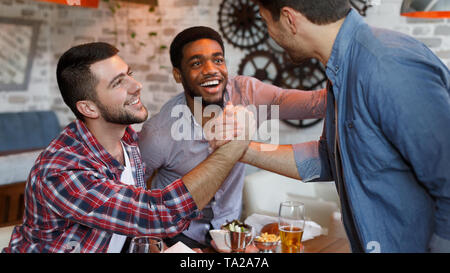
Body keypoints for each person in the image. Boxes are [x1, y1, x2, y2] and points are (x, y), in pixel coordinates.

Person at [223, 0, 450, 252]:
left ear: (289, 19)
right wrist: (243, 149)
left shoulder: (386, 65)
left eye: (267, 22)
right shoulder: (343, 69)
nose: (270, 33)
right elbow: (330, 157)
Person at [2, 42, 251, 253]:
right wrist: (233, 146)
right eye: (118, 83)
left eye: (129, 73)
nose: (136, 85)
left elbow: (131, 222)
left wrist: (160, 247)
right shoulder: (62, 171)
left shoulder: (128, 140)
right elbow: (157, 213)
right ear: (88, 108)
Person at [138, 26, 327, 249]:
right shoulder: (159, 132)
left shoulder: (246, 93)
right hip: (179, 235)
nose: (211, 70)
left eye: (218, 60)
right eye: (197, 63)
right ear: (178, 74)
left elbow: (316, 105)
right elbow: (136, 193)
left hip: (231, 230)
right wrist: (154, 243)